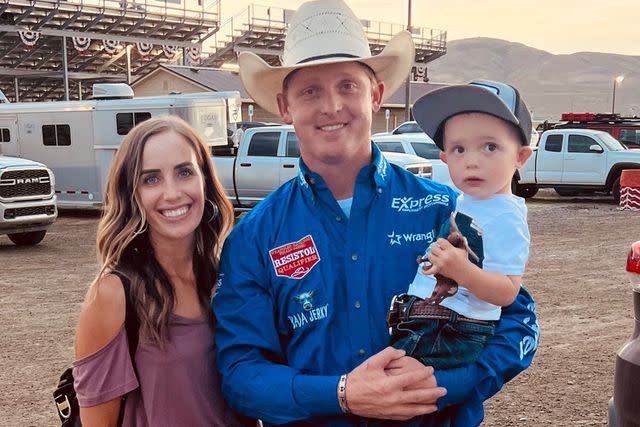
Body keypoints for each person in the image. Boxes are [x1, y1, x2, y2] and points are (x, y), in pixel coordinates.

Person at [213, 1, 540, 426]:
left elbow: (518, 322)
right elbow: (239, 373)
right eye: (310, 90)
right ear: (285, 106)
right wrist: (342, 394)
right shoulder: (254, 237)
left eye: (348, 85)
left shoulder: (446, 208)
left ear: (376, 96)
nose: (331, 106)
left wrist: (444, 383)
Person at [72, 116, 250, 426]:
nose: (172, 193)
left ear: (205, 180)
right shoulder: (113, 295)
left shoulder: (229, 276)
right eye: (151, 179)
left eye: (184, 172)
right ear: (132, 193)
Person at [382, 80, 535, 426]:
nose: (472, 162)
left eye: (490, 147)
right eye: (459, 150)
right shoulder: (469, 202)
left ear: (521, 156)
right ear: (444, 157)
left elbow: (508, 291)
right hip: (432, 319)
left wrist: (460, 270)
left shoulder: (507, 216)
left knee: (394, 390)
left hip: (453, 329)